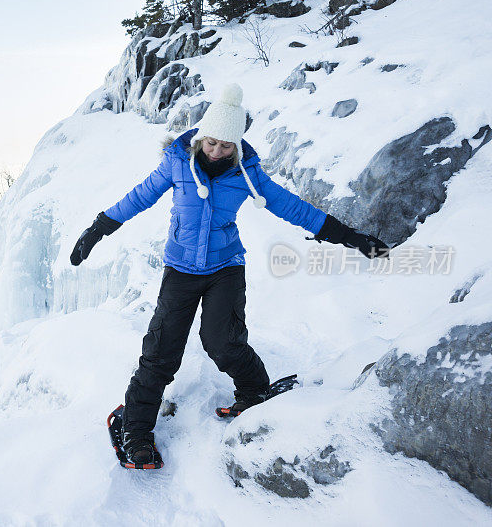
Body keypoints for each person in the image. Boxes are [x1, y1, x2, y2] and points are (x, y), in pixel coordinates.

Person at [69, 83, 390, 467]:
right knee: (160, 352)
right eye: (211, 143)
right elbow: (139, 195)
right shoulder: (176, 162)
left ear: (236, 145)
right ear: (201, 137)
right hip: (181, 269)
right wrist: (98, 228)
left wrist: (350, 238)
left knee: (223, 341)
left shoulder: (247, 174)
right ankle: (136, 430)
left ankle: (254, 392)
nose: (217, 151)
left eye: (225, 146)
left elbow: (295, 208)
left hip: (226, 267)